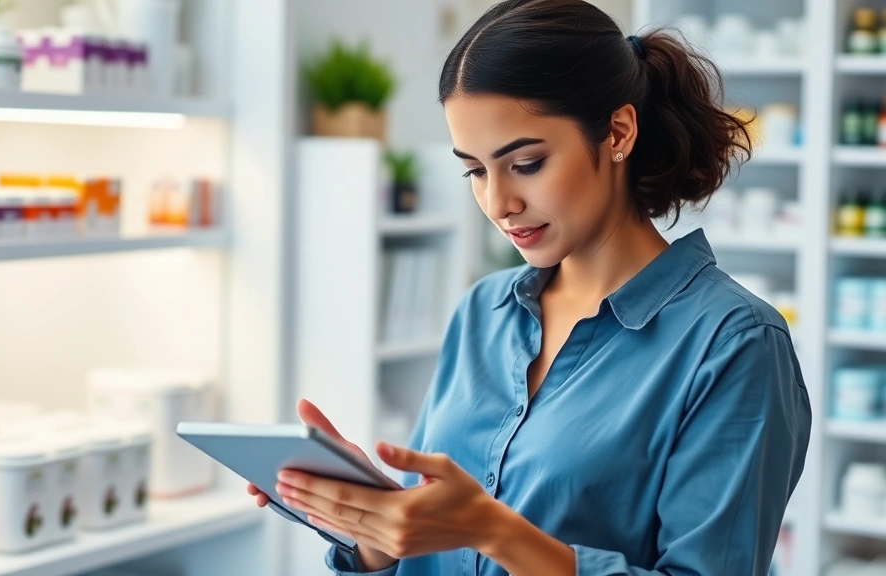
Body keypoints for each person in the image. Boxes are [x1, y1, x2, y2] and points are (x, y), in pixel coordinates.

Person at [247, 0, 812, 574]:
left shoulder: (733, 345)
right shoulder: (483, 311)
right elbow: (426, 550)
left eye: (527, 163)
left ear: (618, 132)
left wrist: (492, 530)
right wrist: (371, 526)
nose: (498, 203)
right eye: (474, 170)